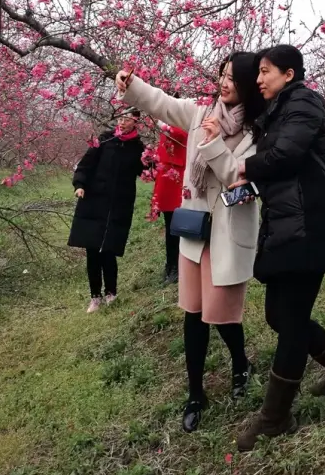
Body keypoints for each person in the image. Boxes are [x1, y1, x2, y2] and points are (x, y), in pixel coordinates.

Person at [115, 53, 264, 433]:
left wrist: (214, 145)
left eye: (233, 77)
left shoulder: (258, 132)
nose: (224, 82)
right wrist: (132, 85)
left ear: (248, 83)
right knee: (194, 314)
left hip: (228, 235)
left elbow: (240, 179)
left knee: (223, 316)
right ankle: (196, 393)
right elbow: (162, 104)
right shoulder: (201, 115)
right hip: (196, 231)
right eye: (222, 74)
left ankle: (240, 364)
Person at [234, 44, 325, 452]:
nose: (259, 79)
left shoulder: (306, 102)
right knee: (279, 315)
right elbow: (280, 165)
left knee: (290, 322)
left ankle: (275, 418)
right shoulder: (277, 111)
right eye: (258, 72)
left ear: (289, 74)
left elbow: (286, 156)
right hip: (288, 226)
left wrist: (245, 167)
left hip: (310, 227)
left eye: (267, 71)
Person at [69, 107, 146, 313]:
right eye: (120, 117)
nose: (122, 122)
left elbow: (147, 171)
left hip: (119, 203)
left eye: (127, 119)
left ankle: (111, 292)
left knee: (109, 249)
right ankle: (95, 296)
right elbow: (85, 165)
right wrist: (80, 185)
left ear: (136, 122)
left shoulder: (138, 148)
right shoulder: (104, 140)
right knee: (92, 249)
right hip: (95, 200)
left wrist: (153, 163)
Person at [149, 121, 188, 285]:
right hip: (166, 180)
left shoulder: (179, 125)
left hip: (177, 180)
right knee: (170, 228)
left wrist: (164, 124)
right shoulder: (166, 128)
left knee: (178, 228)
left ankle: (178, 266)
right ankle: (171, 264)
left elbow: (181, 135)